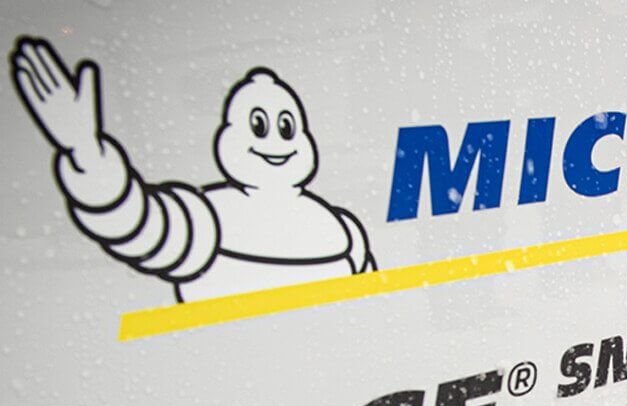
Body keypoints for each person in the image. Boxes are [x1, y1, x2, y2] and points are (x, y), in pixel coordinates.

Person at [9, 36, 376, 303]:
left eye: (286, 127)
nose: (275, 143)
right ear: (230, 137)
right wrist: (88, 154)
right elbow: (137, 223)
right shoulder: (208, 220)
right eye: (258, 126)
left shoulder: (342, 230)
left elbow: (374, 303)